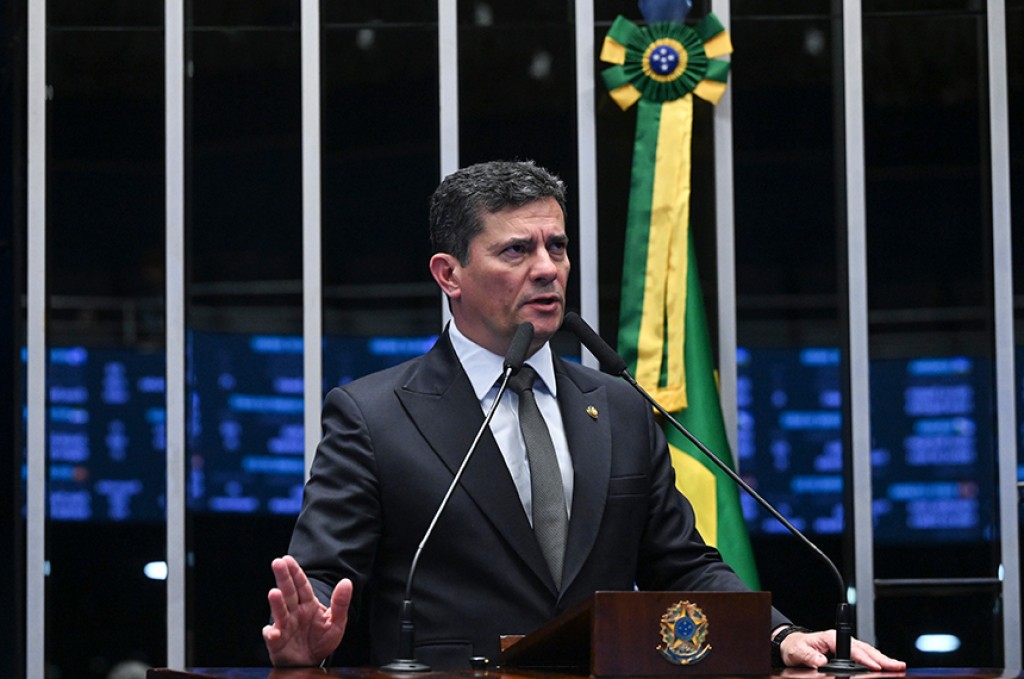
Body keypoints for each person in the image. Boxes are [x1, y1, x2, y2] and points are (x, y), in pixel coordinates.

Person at [262, 160, 905, 672]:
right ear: (449, 274)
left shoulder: (619, 405)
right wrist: (307, 633)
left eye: (558, 247)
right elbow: (322, 576)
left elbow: (681, 564)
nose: (547, 269)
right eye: (516, 251)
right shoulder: (374, 416)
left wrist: (779, 635)